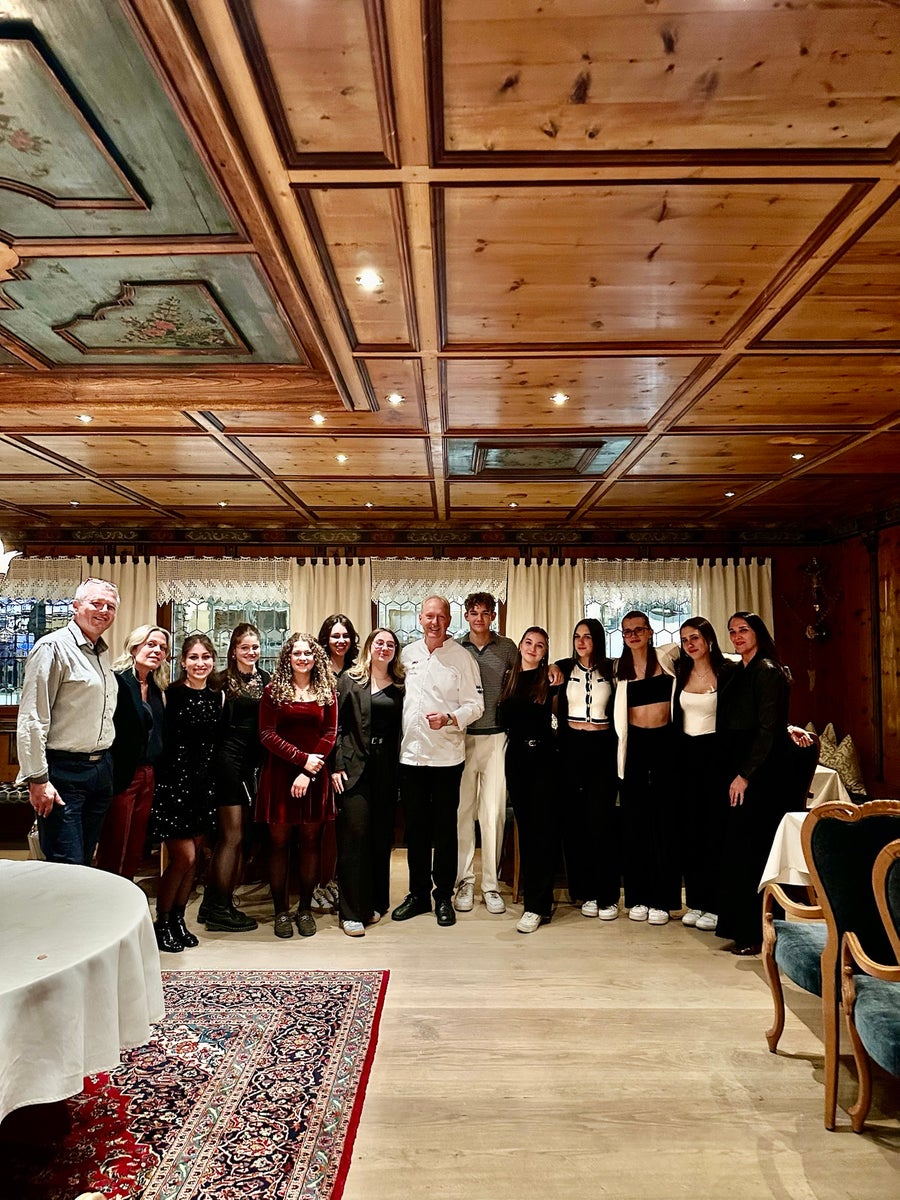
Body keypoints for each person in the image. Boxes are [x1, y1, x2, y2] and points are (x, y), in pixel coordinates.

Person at [392, 595, 484, 927]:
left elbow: (476, 706)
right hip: (411, 757)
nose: (435, 622)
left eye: (441, 617)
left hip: (447, 758)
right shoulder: (407, 655)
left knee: (445, 830)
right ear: (420, 619)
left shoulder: (462, 658)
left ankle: (443, 895)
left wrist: (449, 717)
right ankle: (417, 895)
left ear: (449, 620)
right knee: (415, 831)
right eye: (429, 616)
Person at [16, 578, 119, 865]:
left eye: (110, 606)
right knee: (66, 863)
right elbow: (32, 717)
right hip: (63, 772)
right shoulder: (52, 647)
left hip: (100, 770)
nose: (103, 611)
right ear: (75, 606)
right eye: (96, 603)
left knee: (85, 861)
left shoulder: (101, 652)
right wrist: (38, 779)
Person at [716, 612, 799, 956]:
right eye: (732, 631)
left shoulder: (767, 669)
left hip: (760, 774)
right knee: (739, 851)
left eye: (743, 630)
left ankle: (757, 934)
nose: (737, 636)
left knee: (753, 853)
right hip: (741, 767)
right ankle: (741, 928)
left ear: (758, 633)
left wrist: (745, 774)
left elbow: (768, 729)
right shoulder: (740, 669)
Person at [256, 633, 337, 938]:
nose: (303, 658)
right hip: (279, 777)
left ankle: (304, 909)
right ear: (287, 658)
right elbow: (266, 734)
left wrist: (308, 771)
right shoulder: (273, 691)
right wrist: (302, 760)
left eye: (308, 653)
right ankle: (280, 912)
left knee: (311, 844)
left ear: (316, 658)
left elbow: (330, 733)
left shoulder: (327, 690)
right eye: (297, 653)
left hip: (313, 778)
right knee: (278, 845)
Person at [150, 634, 223, 953]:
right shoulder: (170, 695)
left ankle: (178, 920)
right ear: (182, 661)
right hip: (173, 786)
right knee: (184, 858)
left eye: (205, 657)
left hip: (203, 787)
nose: (200, 663)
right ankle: (161, 921)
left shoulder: (217, 697)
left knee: (195, 861)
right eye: (193, 657)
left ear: (213, 661)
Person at [332, 628, 405, 935]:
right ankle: (350, 912)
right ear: (370, 647)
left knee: (379, 838)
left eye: (390, 644)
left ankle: (374, 902)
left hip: (386, 768)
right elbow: (336, 726)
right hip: (354, 767)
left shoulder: (401, 684)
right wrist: (335, 766)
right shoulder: (350, 680)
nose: (384, 648)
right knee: (355, 836)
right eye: (379, 643)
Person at [614, 609, 680, 926]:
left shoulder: (668, 657)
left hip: (666, 743)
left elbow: (717, 657)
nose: (633, 635)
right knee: (635, 822)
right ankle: (638, 897)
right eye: (627, 631)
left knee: (665, 822)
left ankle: (663, 899)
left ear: (650, 631)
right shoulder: (619, 668)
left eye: (639, 629)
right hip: (635, 746)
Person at [202, 623, 269, 933]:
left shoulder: (266, 680)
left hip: (250, 766)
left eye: (255, 647)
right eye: (245, 647)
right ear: (233, 651)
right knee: (232, 836)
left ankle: (212, 903)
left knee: (240, 837)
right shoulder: (220, 681)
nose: (251, 652)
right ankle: (219, 909)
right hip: (227, 763)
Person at [453, 592, 518, 916]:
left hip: (496, 738)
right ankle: (464, 882)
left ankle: (490, 886)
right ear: (466, 615)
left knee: (493, 813)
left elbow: (524, 680)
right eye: (474, 612)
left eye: (485, 613)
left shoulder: (507, 648)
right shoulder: (454, 648)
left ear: (493, 616)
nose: (479, 618)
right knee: (463, 813)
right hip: (461, 739)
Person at [554, 619, 619, 920]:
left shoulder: (612, 670)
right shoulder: (564, 668)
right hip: (571, 749)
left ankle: (607, 895)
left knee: (601, 822)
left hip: (603, 748)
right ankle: (585, 891)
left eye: (587, 637)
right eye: (577, 636)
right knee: (575, 822)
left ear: (598, 640)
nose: (581, 642)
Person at [673, 616, 735, 934]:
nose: (689, 644)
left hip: (717, 757)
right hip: (686, 757)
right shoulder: (679, 671)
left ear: (709, 638)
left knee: (715, 833)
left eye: (695, 637)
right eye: (685, 639)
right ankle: (697, 901)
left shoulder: (728, 672)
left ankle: (716, 905)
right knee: (690, 831)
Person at [498, 627, 560, 934]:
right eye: (529, 643)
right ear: (520, 645)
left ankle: (537, 906)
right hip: (516, 760)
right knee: (527, 831)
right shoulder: (509, 677)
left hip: (543, 760)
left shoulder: (550, 679)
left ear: (545, 651)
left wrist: (557, 667)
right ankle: (535, 900)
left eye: (540, 645)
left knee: (541, 834)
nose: (533, 648)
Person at [96, 624, 169, 879]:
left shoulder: (157, 686)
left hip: (149, 774)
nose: (157, 651)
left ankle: (126, 891)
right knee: (115, 844)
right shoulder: (117, 680)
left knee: (137, 847)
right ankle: (107, 894)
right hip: (122, 774)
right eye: (151, 644)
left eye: (162, 647)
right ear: (134, 647)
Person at [312, 613, 360, 914]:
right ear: (325, 640)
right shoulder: (317, 671)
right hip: (321, 754)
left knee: (341, 824)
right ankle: (317, 884)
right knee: (320, 826)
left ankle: (334, 881)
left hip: (349, 756)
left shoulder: (357, 670)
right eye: (335, 636)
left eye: (345, 636)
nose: (340, 641)